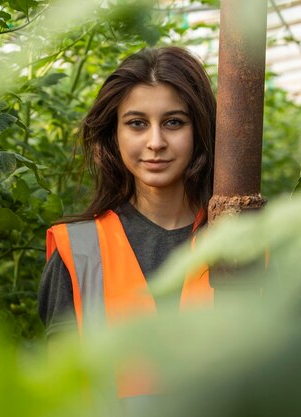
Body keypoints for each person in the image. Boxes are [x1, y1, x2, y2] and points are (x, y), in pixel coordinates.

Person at [37, 46, 217, 399]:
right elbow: (62, 393)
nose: (155, 142)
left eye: (173, 122)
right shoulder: (78, 251)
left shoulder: (244, 242)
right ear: (114, 134)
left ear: (200, 131)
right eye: (137, 123)